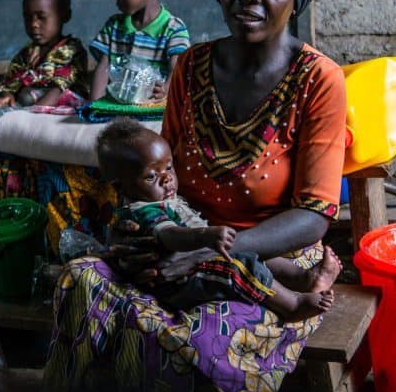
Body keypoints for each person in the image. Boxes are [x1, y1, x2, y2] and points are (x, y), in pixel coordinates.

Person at [45, 0, 346, 392]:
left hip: (272, 259)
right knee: (81, 281)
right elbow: (161, 174)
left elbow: (314, 215)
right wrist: (141, 225)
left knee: (184, 335)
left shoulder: (318, 79)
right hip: (184, 237)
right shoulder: (191, 67)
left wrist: (214, 251)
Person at [97, 118, 340, 319]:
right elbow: (169, 235)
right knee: (239, 268)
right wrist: (205, 236)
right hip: (177, 281)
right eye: (151, 177)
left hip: (198, 258)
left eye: (169, 168)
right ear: (121, 187)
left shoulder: (158, 198)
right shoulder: (143, 210)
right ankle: (292, 305)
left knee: (256, 252)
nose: (167, 179)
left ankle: (305, 278)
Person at [88, 0, 190, 102]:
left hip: (152, 107)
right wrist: (95, 105)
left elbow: (177, 68)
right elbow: (102, 68)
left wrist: (166, 91)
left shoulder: (173, 29)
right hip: (117, 105)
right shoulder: (113, 26)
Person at [0, 0, 89, 112]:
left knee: (28, 97)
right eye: (28, 17)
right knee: (19, 98)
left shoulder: (72, 51)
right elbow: (9, 82)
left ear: (65, 16)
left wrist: (32, 115)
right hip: (30, 106)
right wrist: (6, 95)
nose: (33, 24)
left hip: (61, 109)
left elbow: (59, 89)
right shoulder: (26, 54)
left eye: (41, 17)